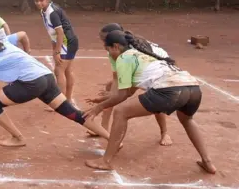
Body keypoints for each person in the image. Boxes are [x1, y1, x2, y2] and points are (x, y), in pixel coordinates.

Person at [0, 34, 111, 147]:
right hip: (45, 76)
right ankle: (109, 137)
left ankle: (18, 137)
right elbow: (24, 34)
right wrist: (27, 52)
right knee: (71, 112)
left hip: (31, 83)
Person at [83, 30, 216, 174]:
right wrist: (104, 100)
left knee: (121, 112)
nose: (109, 54)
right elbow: (128, 92)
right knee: (187, 119)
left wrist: (98, 108)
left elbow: (122, 96)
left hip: (170, 90)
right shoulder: (146, 55)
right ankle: (207, 161)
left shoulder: (124, 58)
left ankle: (106, 161)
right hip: (193, 88)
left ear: (115, 46)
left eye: (108, 49)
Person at [86, 23, 172, 146]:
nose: (104, 43)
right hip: (140, 69)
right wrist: (111, 95)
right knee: (111, 88)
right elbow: (116, 77)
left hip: (158, 71)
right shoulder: (113, 49)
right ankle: (103, 127)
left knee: (155, 98)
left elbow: (127, 89)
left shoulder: (134, 48)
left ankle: (164, 132)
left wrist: (109, 99)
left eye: (105, 39)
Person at [33, 0, 79, 110]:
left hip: (67, 42)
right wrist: (54, 48)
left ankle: (60, 102)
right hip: (67, 42)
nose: (39, 3)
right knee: (67, 71)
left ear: (48, 0)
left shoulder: (52, 12)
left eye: (41, 0)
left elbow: (60, 33)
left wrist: (57, 51)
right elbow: (52, 32)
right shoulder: (45, 10)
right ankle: (67, 100)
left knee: (59, 71)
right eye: (36, 1)